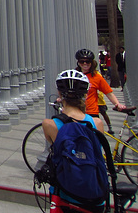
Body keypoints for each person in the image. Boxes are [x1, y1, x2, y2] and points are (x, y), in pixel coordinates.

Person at [41, 69, 105, 213]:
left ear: (59, 94)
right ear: (86, 94)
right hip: (93, 190)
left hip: (64, 192)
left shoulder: (49, 124)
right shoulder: (97, 123)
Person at [74, 49, 125, 117]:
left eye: (88, 61)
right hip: (76, 112)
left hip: (91, 112)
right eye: (82, 61)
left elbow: (109, 93)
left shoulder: (97, 77)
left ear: (92, 62)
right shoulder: (74, 76)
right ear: (78, 62)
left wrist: (117, 104)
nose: (85, 64)